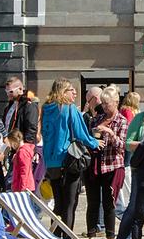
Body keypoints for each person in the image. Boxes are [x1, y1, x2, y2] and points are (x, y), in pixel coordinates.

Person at [40, 78, 100, 226]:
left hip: (51, 161)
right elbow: (80, 133)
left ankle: (57, 238)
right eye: (71, 89)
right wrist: (94, 142)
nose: (74, 92)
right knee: (69, 203)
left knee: (58, 203)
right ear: (62, 91)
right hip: (68, 159)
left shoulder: (46, 108)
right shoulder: (69, 108)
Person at [82, 89, 125, 239]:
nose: (105, 107)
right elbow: (87, 139)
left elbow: (122, 146)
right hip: (94, 164)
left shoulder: (121, 121)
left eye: (108, 104)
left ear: (116, 102)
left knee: (109, 203)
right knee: (92, 202)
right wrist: (93, 138)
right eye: (103, 104)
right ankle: (92, 237)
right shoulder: (96, 119)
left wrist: (110, 133)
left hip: (112, 165)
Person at [1, 76, 43, 187]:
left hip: (22, 148)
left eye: (10, 91)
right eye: (6, 91)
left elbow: (31, 128)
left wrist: (28, 149)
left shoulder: (29, 106)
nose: (8, 94)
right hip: (11, 147)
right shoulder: (9, 107)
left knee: (21, 178)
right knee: (13, 180)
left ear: (20, 89)